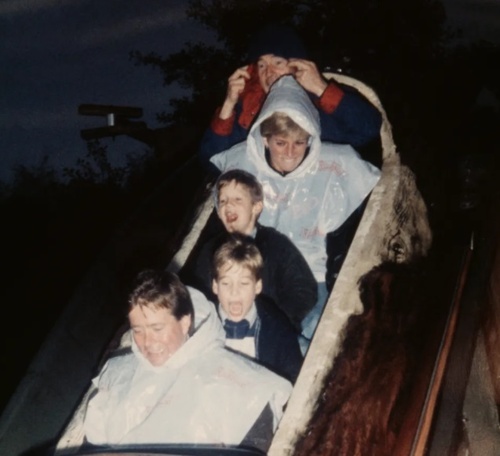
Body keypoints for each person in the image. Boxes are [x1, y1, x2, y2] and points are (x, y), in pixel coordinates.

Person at [209, 74, 381, 349]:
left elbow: (368, 203)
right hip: (250, 274)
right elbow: (209, 160)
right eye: (281, 143)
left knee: (317, 344)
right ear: (265, 140)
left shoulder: (336, 163)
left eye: (299, 142)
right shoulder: (242, 162)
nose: (290, 152)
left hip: (314, 276)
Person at [83, 269, 292, 450]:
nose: (147, 342)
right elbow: (92, 448)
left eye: (157, 328)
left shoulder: (234, 378)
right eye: (138, 330)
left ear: (184, 323)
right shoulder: (119, 374)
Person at [199, 23, 382, 171]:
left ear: (297, 65)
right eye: (261, 65)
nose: (269, 72)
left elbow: (368, 129)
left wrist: (321, 88)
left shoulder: (319, 98)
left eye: (278, 62)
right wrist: (228, 104)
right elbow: (213, 162)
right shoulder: (250, 108)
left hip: (323, 191)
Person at [180, 168, 317, 330]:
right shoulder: (211, 249)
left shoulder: (275, 244)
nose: (228, 204)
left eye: (237, 199)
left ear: (256, 207)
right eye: (222, 201)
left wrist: (274, 323)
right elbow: (198, 295)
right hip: (225, 330)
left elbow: (303, 290)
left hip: (270, 330)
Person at [211, 233, 303, 382]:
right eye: (226, 283)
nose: (234, 292)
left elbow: (293, 377)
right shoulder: (202, 324)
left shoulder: (277, 329)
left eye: (244, 283)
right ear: (215, 286)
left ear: (257, 286)